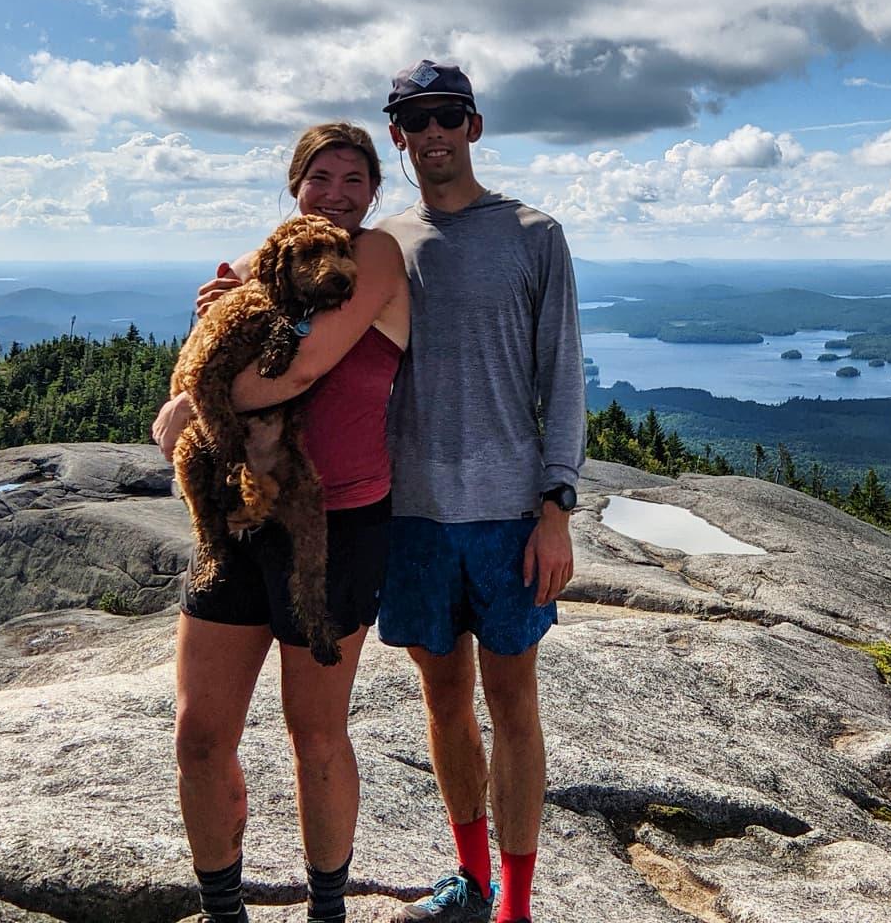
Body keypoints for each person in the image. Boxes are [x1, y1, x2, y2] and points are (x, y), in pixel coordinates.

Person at [152, 122, 410, 923]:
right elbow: (224, 346)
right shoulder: (269, 267)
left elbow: (298, 365)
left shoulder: (375, 258)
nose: (336, 195)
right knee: (199, 734)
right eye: (319, 179)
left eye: (353, 180)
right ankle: (224, 910)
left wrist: (191, 406)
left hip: (340, 522)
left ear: (375, 192)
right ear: (296, 186)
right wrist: (223, 313)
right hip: (240, 515)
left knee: (316, 733)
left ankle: (326, 910)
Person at [372, 61, 586, 923]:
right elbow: (313, 319)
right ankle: (472, 880)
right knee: (444, 703)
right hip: (413, 512)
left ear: (474, 125)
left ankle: (518, 905)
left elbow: (562, 375)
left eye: (446, 116)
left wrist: (555, 509)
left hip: (506, 514)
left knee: (514, 705)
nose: (432, 133)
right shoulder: (384, 243)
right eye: (414, 119)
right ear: (397, 134)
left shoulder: (535, 234)